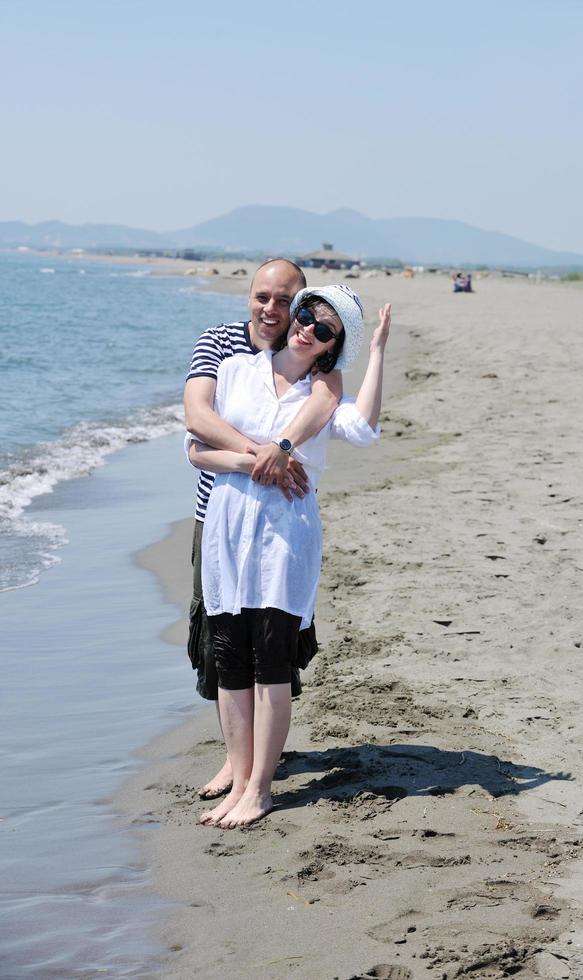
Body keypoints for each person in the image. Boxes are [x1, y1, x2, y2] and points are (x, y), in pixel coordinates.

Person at [186, 285, 391, 827]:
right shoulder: (235, 371)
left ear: (332, 345)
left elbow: (365, 432)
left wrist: (375, 355)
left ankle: (259, 789)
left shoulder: (324, 393)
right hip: (227, 527)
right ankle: (240, 775)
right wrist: (261, 457)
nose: (307, 328)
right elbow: (195, 448)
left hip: (286, 534)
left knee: (272, 659)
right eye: (306, 315)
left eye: (325, 329)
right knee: (230, 659)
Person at [184, 259, 343, 801]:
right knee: (220, 643)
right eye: (263, 297)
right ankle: (236, 763)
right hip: (219, 514)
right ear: (249, 296)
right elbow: (196, 419)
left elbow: (334, 408)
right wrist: (262, 454)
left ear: (302, 302)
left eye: (285, 300)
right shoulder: (222, 345)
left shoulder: (315, 363)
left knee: (274, 641)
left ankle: (258, 771)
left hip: (281, 520)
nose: (272, 310)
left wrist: (281, 451)